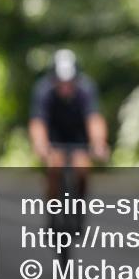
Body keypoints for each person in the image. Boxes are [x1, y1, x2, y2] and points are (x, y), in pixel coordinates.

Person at [29, 48, 109, 200]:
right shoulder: (43, 90)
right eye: (61, 83)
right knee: (54, 166)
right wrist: (40, 144)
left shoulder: (86, 88)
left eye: (69, 83)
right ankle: (52, 204)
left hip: (79, 135)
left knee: (82, 168)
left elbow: (94, 118)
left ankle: (80, 201)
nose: (65, 87)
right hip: (54, 135)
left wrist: (99, 142)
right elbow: (38, 122)